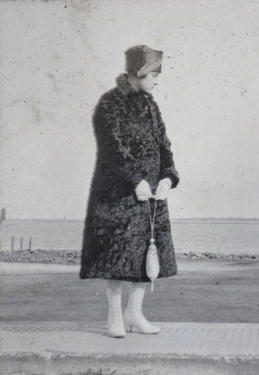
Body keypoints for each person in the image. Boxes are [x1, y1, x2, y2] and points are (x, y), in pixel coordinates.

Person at [80, 45, 179, 338]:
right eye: (155, 74)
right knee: (116, 255)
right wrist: (135, 180)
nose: (157, 81)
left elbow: (164, 146)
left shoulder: (151, 105)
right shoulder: (110, 103)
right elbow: (111, 149)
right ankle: (114, 317)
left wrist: (168, 178)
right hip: (117, 193)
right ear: (140, 71)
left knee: (145, 255)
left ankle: (134, 313)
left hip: (151, 196)